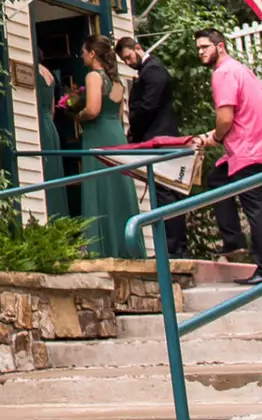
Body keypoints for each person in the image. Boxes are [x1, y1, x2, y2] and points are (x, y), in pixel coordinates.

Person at [193, 28, 262, 281]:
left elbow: (226, 117)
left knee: (253, 206)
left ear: (220, 46)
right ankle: (234, 241)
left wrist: (217, 136)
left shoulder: (223, 73)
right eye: (199, 48)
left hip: (248, 148)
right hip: (257, 142)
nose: (200, 52)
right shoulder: (239, 69)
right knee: (218, 180)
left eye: (205, 47)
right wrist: (217, 135)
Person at [69, 36, 139, 260]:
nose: (81, 56)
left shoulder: (93, 76)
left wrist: (77, 116)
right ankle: (124, 245)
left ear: (92, 54)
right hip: (115, 134)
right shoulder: (116, 81)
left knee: (99, 186)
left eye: (83, 52)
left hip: (98, 135)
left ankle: (100, 247)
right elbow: (118, 114)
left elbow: (93, 109)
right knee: (117, 186)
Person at [117, 37, 186, 257]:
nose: (128, 62)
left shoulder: (153, 71)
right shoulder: (146, 72)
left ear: (138, 48)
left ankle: (173, 249)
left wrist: (134, 133)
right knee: (164, 193)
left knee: (165, 192)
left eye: (128, 56)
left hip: (159, 138)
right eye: (124, 60)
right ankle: (172, 247)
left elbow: (147, 107)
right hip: (155, 137)